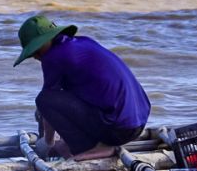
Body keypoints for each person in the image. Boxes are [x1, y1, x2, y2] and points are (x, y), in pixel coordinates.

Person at [14, 15, 150, 161]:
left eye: (37, 49)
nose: (35, 56)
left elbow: (47, 101)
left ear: (49, 38)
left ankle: (89, 148)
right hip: (138, 124)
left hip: (117, 130)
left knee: (43, 100)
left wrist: (47, 143)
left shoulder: (52, 57)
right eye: (32, 53)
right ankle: (91, 143)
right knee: (62, 96)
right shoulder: (84, 42)